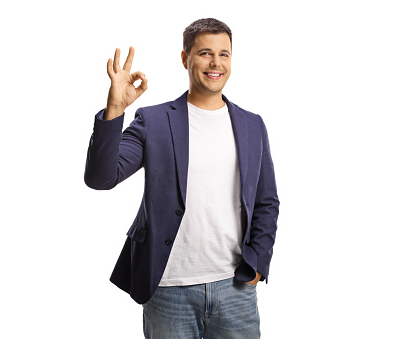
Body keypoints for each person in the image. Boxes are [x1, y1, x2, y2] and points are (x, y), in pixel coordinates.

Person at [84, 18, 279, 339]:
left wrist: (258, 262)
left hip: (235, 287)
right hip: (168, 288)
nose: (216, 62)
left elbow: (266, 200)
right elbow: (102, 178)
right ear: (185, 58)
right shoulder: (154, 120)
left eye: (224, 54)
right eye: (205, 53)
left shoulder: (252, 124)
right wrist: (114, 111)